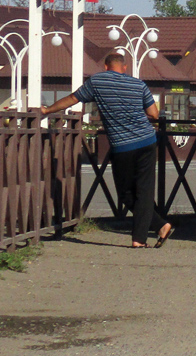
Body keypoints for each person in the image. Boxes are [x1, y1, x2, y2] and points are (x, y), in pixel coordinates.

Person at [43, 53, 175, 248]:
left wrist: (47, 111)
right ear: (124, 67)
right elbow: (153, 114)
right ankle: (160, 226)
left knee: (125, 194)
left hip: (122, 146)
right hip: (147, 141)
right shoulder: (138, 84)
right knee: (144, 191)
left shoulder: (96, 81)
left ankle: (140, 239)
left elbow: (73, 99)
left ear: (105, 67)